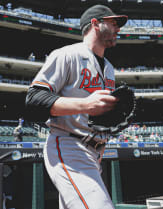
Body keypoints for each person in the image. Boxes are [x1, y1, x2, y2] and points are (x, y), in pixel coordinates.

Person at [25, 5, 128, 209]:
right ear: (95, 24)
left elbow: (99, 113)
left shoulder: (109, 68)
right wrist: (86, 104)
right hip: (69, 146)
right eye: (113, 23)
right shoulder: (66, 55)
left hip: (95, 154)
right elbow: (34, 99)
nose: (118, 29)